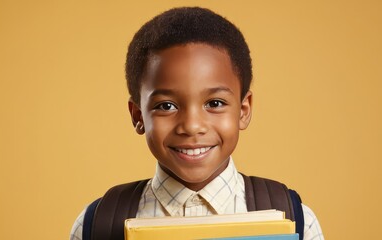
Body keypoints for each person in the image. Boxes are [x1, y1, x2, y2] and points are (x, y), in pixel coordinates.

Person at [70, 7, 324, 240]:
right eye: (166, 106)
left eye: (214, 103)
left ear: (243, 111)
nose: (192, 126)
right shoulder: (96, 225)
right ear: (138, 116)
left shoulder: (296, 221)